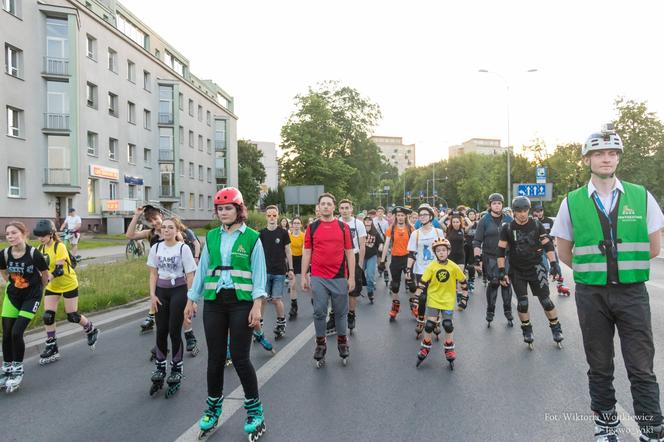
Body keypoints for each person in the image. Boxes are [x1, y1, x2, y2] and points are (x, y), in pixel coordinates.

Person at [551, 124, 664, 442]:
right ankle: (606, 425)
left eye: (612, 152)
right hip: (592, 294)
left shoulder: (641, 197)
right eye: (599, 153)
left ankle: (652, 430)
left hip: (632, 292)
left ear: (618, 158)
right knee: (599, 365)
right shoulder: (571, 202)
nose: (606, 158)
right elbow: (564, 251)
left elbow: (654, 247)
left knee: (641, 366)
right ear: (587, 159)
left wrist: (621, 268)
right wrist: (593, 271)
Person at [184, 187, 268, 440]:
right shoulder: (210, 237)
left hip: (241, 302)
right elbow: (202, 270)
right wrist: (191, 299)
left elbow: (259, 275)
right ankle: (212, 409)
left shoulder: (252, 237)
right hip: (215, 301)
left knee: (241, 359)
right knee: (215, 358)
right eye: (220, 209)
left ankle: (255, 412)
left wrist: (257, 305)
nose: (223, 212)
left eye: (228, 208)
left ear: (239, 210)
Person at [497, 196, 564, 350]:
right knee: (522, 303)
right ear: (514, 212)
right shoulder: (507, 228)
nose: (522, 214)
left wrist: (553, 264)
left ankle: (556, 329)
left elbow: (548, 245)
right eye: (519, 211)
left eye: (525, 210)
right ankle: (527, 330)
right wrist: (502, 271)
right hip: (517, 270)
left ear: (528, 210)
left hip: (537, 268)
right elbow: (500, 250)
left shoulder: (536, 224)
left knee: (546, 301)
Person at [33, 219, 99, 365]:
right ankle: (52, 345)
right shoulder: (40, 249)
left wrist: (47, 278)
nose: (40, 238)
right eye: (38, 236)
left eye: (43, 235)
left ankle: (91, 329)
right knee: (48, 316)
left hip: (68, 284)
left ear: (51, 234)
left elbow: (59, 270)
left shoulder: (60, 246)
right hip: (53, 287)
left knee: (72, 316)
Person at [301, 193, 354, 367]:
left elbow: (349, 252)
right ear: (319, 207)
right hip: (318, 276)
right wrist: (304, 275)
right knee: (319, 312)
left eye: (328, 204)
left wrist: (352, 276)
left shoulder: (343, 227)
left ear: (333, 207)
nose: (325, 206)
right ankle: (321, 345)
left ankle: (342, 342)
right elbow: (307, 252)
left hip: (339, 276)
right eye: (322, 204)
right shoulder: (312, 228)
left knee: (340, 313)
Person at [147, 218, 197, 398]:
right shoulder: (156, 248)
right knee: (161, 330)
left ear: (177, 230)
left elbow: (190, 275)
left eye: (170, 227)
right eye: (164, 228)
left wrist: (192, 299)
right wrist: (152, 295)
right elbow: (153, 273)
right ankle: (160, 366)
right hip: (161, 291)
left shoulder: (183, 249)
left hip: (179, 290)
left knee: (174, 331)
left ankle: (176, 367)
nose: (166, 230)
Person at [0, 222, 49, 392]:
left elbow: (44, 274)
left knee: (16, 332)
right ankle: (6, 369)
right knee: (6, 334)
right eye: (7, 234)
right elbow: (4, 271)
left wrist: (39, 291)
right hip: (12, 296)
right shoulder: (5, 253)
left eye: (14, 233)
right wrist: (11, 285)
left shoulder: (34, 254)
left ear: (23, 233)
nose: (10, 236)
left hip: (31, 297)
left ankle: (17, 370)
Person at [414, 238, 468, 370]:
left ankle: (449, 346)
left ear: (448, 251)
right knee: (429, 325)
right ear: (435, 253)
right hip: (434, 299)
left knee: (447, 325)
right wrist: (416, 297)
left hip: (448, 300)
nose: (441, 253)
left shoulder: (453, 266)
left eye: (444, 250)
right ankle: (426, 345)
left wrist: (465, 298)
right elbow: (422, 282)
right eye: (438, 251)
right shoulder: (432, 266)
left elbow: (463, 282)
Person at [473, 193, 515, 327]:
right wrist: (477, 258)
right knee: (495, 282)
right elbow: (477, 241)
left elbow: (515, 240)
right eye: (494, 203)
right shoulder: (484, 220)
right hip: (490, 256)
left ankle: (508, 312)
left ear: (502, 205)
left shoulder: (509, 219)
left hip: (506, 256)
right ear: (490, 205)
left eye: (499, 203)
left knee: (506, 282)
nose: (497, 205)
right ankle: (490, 311)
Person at [407, 203, 446, 338]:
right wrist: (408, 270)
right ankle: (421, 319)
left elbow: (443, 251)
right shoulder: (415, 234)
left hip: (436, 269)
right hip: (420, 269)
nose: (422, 217)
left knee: (437, 296)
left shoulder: (438, 232)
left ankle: (436, 321)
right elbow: (411, 254)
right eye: (420, 215)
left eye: (424, 214)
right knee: (423, 297)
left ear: (431, 216)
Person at [330, 199, 366, 334]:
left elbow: (362, 245)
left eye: (347, 208)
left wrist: (360, 264)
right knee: (335, 288)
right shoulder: (335, 223)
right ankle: (334, 316)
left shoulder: (358, 224)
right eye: (342, 208)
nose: (344, 210)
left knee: (353, 290)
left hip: (354, 257)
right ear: (338, 210)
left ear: (351, 209)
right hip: (338, 258)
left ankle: (351, 314)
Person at [259, 205, 294, 340]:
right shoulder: (261, 233)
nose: (272, 218)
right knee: (262, 300)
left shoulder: (283, 233)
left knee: (276, 299)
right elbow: (258, 253)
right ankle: (259, 326)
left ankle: (281, 323)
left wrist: (290, 269)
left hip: (279, 271)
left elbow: (288, 251)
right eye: (269, 215)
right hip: (265, 272)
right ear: (266, 217)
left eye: (274, 215)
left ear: (278, 216)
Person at [380, 206, 414, 321]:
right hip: (395, 259)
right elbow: (386, 244)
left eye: (402, 215)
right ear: (396, 217)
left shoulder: (411, 228)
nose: (400, 217)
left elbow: (415, 245)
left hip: (407, 258)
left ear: (405, 216)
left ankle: (414, 305)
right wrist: (382, 260)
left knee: (412, 285)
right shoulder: (391, 228)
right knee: (395, 286)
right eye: (398, 215)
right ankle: (395, 307)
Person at [532, 203, 570, 295]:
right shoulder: (531, 222)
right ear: (533, 213)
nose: (539, 213)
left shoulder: (549, 221)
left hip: (549, 247)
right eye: (537, 211)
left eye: (541, 211)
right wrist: (535, 223)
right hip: (539, 249)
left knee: (556, 265)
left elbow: (553, 234)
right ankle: (544, 284)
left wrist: (547, 238)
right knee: (544, 266)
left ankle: (560, 284)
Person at [446, 212, 470, 310]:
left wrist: (464, 215)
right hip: (450, 257)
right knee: (451, 279)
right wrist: (448, 214)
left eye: (457, 222)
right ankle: (451, 298)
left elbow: (471, 224)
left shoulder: (463, 230)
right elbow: (440, 221)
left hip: (460, 256)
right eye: (454, 222)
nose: (456, 224)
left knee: (460, 277)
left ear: (460, 223)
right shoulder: (448, 230)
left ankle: (461, 299)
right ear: (451, 223)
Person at [362, 215, 384, 304]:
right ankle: (356, 289)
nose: (367, 221)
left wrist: (380, 246)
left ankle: (370, 292)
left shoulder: (375, 232)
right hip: (361, 257)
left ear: (371, 222)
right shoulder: (360, 231)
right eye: (366, 220)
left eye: (369, 220)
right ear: (363, 222)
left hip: (372, 256)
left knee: (370, 276)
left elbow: (381, 241)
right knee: (357, 274)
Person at [288, 216, 305, 319]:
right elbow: (287, 249)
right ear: (292, 225)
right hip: (292, 260)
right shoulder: (289, 236)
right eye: (295, 223)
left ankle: (314, 301)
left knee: (308, 284)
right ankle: (294, 306)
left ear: (301, 225)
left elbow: (304, 249)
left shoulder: (303, 235)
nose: (296, 225)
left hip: (302, 259)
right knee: (293, 284)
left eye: (298, 223)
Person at [464, 209, 479, 293]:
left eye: (473, 214)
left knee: (471, 265)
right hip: (465, 247)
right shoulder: (465, 224)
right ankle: (462, 282)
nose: (472, 216)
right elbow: (465, 231)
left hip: (473, 247)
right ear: (467, 215)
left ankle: (471, 281)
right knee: (464, 265)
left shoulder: (478, 224)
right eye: (470, 214)